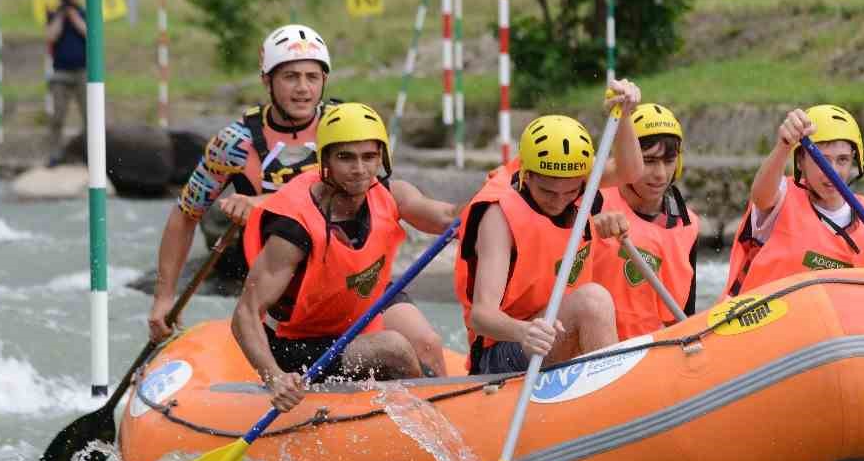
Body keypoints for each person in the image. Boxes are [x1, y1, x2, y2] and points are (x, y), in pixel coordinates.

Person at [232, 102, 459, 411]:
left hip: (358, 308)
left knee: (427, 343)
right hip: (298, 342)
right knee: (394, 349)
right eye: (345, 158)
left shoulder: (392, 192)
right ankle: (419, 416)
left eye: (369, 157)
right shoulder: (294, 228)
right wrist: (274, 378)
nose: (360, 169)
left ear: (382, 157)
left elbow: (449, 218)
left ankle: (447, 414)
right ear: (325, 160)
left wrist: (493, 195)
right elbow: (245, 314)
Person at [147, 24, 334, 343]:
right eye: (290, 77)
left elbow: (371, 195)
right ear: (267, 81)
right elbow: (185, 214)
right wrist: (164, 297)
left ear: (323, 81)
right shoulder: (234, 143)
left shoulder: (343, 127)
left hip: (341, 277)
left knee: (424, 340)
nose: (303, 88)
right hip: (275, 286)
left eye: (312, 77)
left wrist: (263, 202)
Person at [453, 80, 644, 374]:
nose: (560, 201)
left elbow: (630, 171)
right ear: (526, 175)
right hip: (503, 351)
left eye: (571, 192)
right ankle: (610, 392)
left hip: (554, 330)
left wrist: (625, 115)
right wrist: (523, 331)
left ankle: (602, 388)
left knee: (593, 301)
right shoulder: (498, 215)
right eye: (549, 192)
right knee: (593, 300)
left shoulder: (579, 182)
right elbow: (481, 315)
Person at [725, 104, 864, 298]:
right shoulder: (780, 197)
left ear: (854, 161)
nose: (833, 171)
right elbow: (761, 197)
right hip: (761, 323)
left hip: (834, 326)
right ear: (801, 161)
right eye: (822, 159)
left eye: (843, 160)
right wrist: (784, 146)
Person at [592, 103, 700, 338]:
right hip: (595, 348)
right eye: (649, 161)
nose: (661, 174)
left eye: (669, 161)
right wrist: (593, 225)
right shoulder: (592, 201)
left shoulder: (688, 224)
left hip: (652, 353)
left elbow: (686, 315)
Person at [44, 0, 87, 165]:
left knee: (90, 115)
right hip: (61, 72)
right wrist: (61, 15)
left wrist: (73, 14)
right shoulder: (55, 15)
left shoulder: (83, 12)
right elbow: (51, 37)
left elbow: (88, 32)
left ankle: (90, 155)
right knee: (58, 116)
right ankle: (55, 154)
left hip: (83, 72)